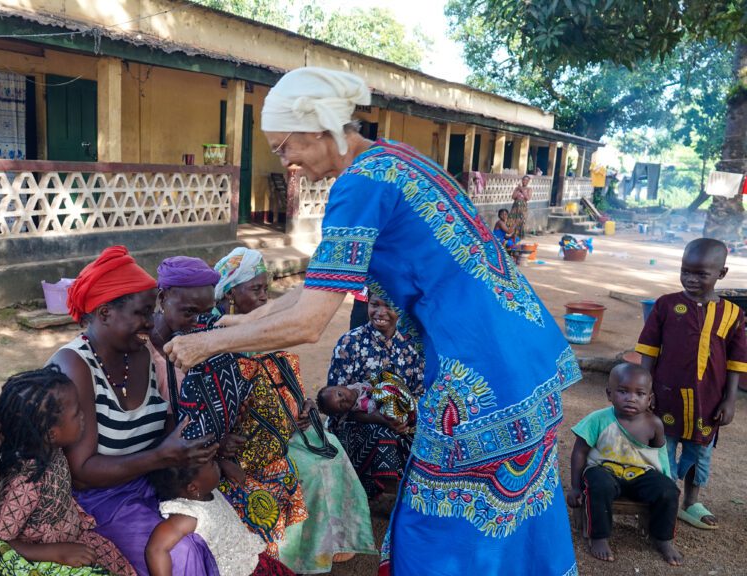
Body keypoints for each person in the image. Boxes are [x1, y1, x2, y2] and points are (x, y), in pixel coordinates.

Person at [165, 67, 581, 576]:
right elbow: (318, 287)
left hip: (481, 371)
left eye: (284, 147)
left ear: (318, 127)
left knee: (443, 518)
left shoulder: (358, 187)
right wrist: (236, 326)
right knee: (514, 513)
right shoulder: (396, 159)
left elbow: (310, 323)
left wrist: (207, 346)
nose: (287, 162)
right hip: (525, 354)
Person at [47, 246, 220, 576]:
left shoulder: (141, 355)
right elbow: (81, 472)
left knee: (216, 527)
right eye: (141, 313)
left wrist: (195, 445)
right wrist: (161, 456)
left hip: (151, 484)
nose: (150, 323)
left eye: (151, 311)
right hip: (98, 502)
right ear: (105, 313)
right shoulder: (75, 366)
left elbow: (163, 426)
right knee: (180, 553)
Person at [213, 248, 376, 573]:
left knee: (332, 451)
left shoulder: (266, 327)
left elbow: (285, 380)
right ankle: (302, 556)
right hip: (251, 442)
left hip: (287, 428)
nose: (264, 296)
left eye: (265, 288)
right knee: (312, 469)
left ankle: (333, 543)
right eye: (255, 289)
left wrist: (305, 405)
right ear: (230, 294)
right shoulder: (218, 337)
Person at [636, 238, 747, 530]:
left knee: (700, 450)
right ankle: (665, 498)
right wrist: (645, 389)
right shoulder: (666, 305)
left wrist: (730, 400)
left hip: (709, 400)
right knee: (663, 447)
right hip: (667, 395)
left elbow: (736, 362)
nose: (691, 278)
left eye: (701, 274)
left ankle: (691, 502)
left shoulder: (733, 314)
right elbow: (648, 349)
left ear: (721, 273)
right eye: (686, 271)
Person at [0, 367, 135, 575]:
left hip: (72, 536)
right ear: (51, 434)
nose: (83, 416)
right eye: (76, 414)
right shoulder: (25, 482)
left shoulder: (53, 451)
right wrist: (56, 552)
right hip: (46, 559)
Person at [567, 364, 682, 566]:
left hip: (641, 474)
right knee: (598, 484)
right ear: (609, 394)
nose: (631, 398)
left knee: (669, 491)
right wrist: (575, 486)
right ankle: (599, 537)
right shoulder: (598, 419)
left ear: (649, 399)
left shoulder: (654, 424)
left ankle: (662, 538)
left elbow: (660, 454)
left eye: (640, 394)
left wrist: (666, 478)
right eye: (623, 391)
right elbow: (580, 452)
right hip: (604, 470)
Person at [325, 296, 425, 498]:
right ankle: (383, 495)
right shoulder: (349, 342)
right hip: (356, 422)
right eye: (374, 305)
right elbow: (336, 404)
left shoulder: (413, 346)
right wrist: (382, 419)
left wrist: (405, 419)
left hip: (404, 420)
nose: (380, 312)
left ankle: (410, 496)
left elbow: (420, 394)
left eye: (389, 305)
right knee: (383, 435)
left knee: (434, 439)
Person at [145, 462, 295, 576]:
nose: (216, 463)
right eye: (211, 464)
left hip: (256, 561)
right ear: (193, 488)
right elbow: (156, 549)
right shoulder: (189, 514)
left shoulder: (208, 491)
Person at [148, 256, 222, 404]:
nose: (199, 322)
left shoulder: (210, 341)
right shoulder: (143, 347)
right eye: (189, 312)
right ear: (162, 298)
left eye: (207, 313)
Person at [317, 372, 418, 433]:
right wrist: (385, 421)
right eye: (340, 405)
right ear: (343, 412)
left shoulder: (355, 386)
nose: (343, 399)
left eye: (339, 394)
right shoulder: (355, 411)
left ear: (341, 386)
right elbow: (364, 417)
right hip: (386, 407)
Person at [510, 174, 533, 240]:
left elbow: (527, 198)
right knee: (513, 219)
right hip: (515, 205)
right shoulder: (517, 188)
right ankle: (512, 234)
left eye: (526, 180)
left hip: (523, 206)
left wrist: (522, 190)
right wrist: (518, 190)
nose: (524, 181)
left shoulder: (529, 189)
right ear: (522, 180)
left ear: (528, 182)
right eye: (523, 180)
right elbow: (513, 197)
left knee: (521, 220)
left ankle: (519, 236)